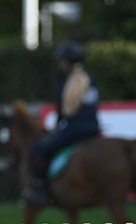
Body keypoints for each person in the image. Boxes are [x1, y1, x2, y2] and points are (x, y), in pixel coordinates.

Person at [21, 40, 103, 206]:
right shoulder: (90, 79)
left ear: (67, 62)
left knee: (40, 149)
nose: (59, 65)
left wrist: (57, 127)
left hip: (75, 129)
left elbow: (63, 114)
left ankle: (39, 187)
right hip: (94, 128)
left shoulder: (65, 83)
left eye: (61, 61)